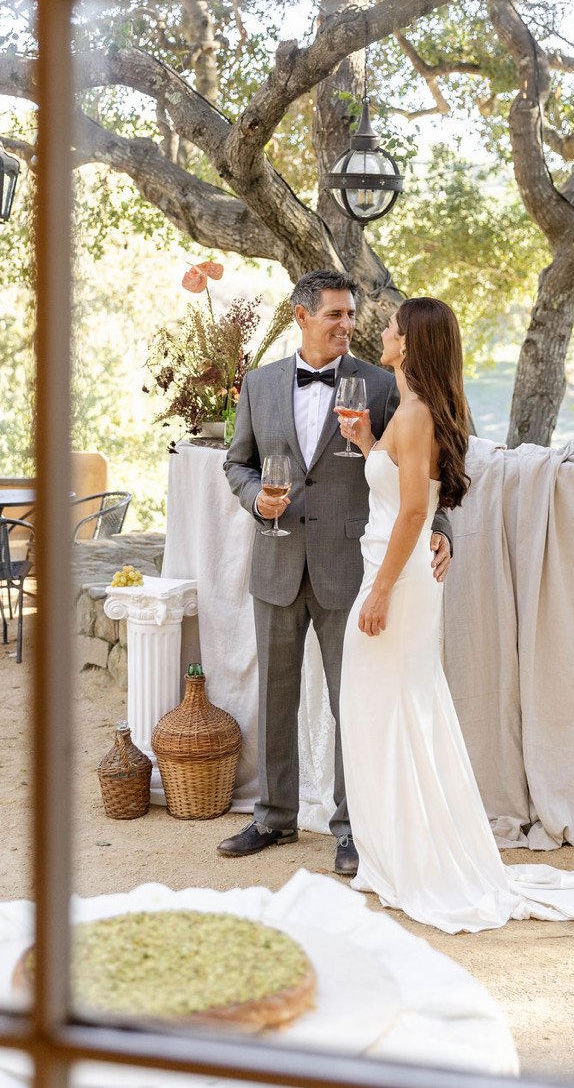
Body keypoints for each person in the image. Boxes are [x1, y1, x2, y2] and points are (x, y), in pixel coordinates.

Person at [338, 297, 574, 932]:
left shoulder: (419, 412)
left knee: (395, 710)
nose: (382, 330)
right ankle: (394, 852)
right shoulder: (407, 411)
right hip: (392, 572)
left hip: (393, 581)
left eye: (393, 325)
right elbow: (409, 490)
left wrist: (379, 593)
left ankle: (416, 860)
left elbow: (409, 515)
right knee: (388, 710)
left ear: (412, 342)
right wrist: (370, 443)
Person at [220, 271, 453, 874]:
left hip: (351, 567)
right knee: (275, 695)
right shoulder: (260, 383)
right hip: (275, 561)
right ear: (302, 316)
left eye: (352, 315)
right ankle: (273, 817)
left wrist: (441, 529)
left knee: (355, 699)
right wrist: (255, 499)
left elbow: (433, 460)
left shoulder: (385, 384)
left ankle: (355, 827)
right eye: (335, 315)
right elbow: (236, 463)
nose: (348, 325)